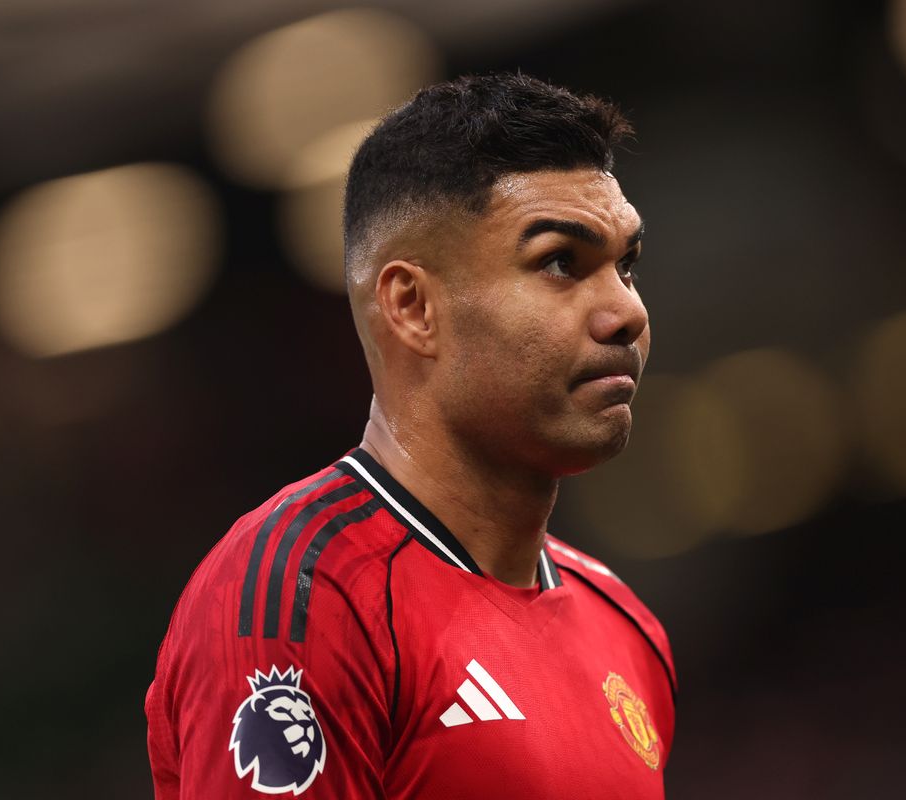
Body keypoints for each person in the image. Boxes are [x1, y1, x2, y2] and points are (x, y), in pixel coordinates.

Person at [146, 72, 675, 799]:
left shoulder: (625, 624)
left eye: (627, 266)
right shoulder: (302, 596)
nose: (626, 312)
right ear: (412, 306)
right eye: (561, 262)